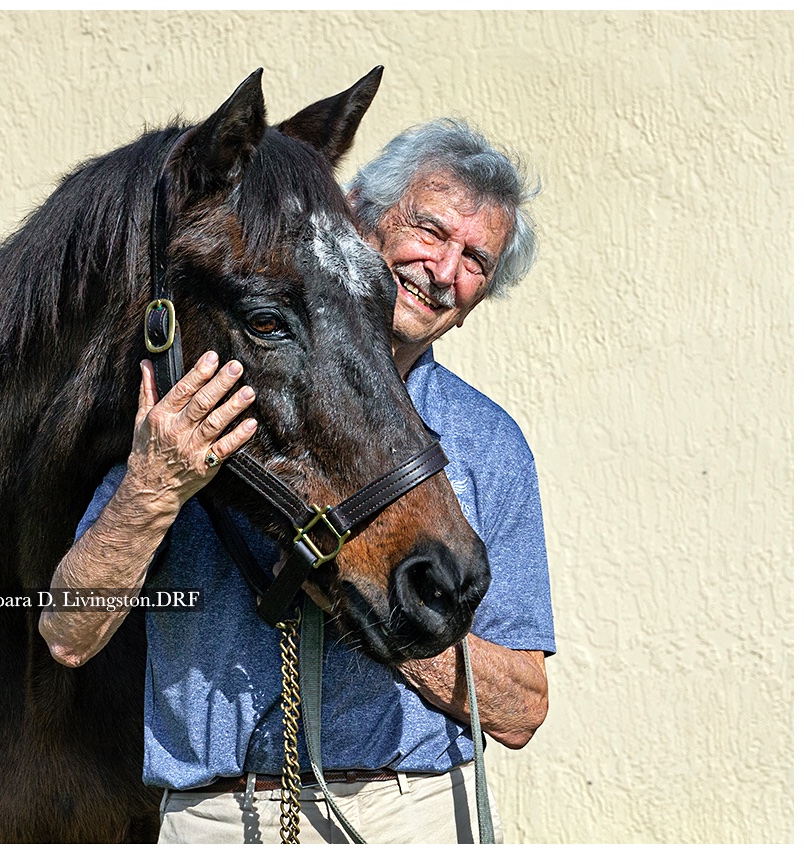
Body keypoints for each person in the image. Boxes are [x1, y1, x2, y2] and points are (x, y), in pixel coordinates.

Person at [40, 118, 555, 844]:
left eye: (476, 259)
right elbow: (68, 630)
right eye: (431, 230)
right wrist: (154, 486)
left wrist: (387, 607)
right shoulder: (214, 393)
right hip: (220, 815)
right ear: (359, 221)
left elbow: (521, 709)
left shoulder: (488, 443)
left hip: (406, 814)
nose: (443, 270)